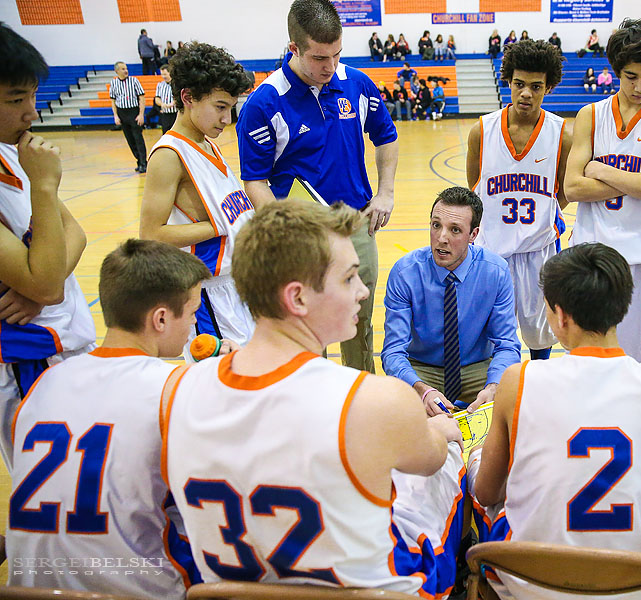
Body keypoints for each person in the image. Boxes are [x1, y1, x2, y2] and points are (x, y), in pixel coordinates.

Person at [163, 200, 466, 594]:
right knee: (453, 459)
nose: (362, 290)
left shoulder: (176, 389)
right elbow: (430, 460)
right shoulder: (375, 399)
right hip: (373, 592)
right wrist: (441, 432)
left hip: (232, 588)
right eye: (349, 278)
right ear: (298, 298)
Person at [469, 242, 641, 600]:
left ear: (561, 316)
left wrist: (478, 456)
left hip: (532, 583)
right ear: (622, 305)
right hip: (638, 585)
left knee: (474, 465)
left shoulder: (519, 379)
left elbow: (487, 493)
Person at [6, 239, 206, 597]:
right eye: (191, 313)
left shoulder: (44, 384)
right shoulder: (176, 390)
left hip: (31, 589)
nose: (193, 325)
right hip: (135, 589)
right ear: (161, 318)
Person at [236, 0, 399, 374]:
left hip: (356, 225)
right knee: (307, 327)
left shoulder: (356, 83)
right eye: (319, 58)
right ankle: (313, 402)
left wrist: (386, 193)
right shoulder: (264, 104)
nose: (330, 67)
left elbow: (386, 136)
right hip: (303, 236)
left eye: (337, 55)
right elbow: (254, 181)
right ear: (293, 48)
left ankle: (361, 397)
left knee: (358, 321)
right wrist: (289, 232)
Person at [565, 18, 641, 365]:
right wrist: (639, 181)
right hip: (592, 254)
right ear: (617, 70)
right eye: (631, 76)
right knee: (587, 356)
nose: (640, 86)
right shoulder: (591, 114)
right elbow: (573, 187)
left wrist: (602, 170)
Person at [0, 23, 95, 469]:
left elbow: (75, 233)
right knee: (55, 494)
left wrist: (43, 277)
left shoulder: (11, 155)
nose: (32, 114)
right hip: (25, 361)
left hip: (62, 344)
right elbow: (46, 284)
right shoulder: (29, 168)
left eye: (32, 97)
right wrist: (43, 184)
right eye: (16, 100)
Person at [141, 42, 256, 356]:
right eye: (220, 107)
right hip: (208, 295)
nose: (227, 118)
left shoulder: (207, 143)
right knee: (227, 388)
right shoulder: (169, 155)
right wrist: (216, 227)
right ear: (188, 97)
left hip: (236, 286)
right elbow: (151, 236)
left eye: (230, 107)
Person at [468, 39, 573, 362]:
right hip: (492, 251)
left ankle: (538, 395)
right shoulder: (482, 131)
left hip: (539, 252)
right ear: (508, 82)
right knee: (491, 337)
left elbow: (564, 194)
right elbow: (474, 187)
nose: (526, 93)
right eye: (519, 84)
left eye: (536, 86)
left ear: (549, 87)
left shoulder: (561, 134)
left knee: (540, 337)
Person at [382, 187, 520, 416]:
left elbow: (507, 344)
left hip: (476, 368)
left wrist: (493, 386)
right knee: (393, 408)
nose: (442, 238)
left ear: (473, 235)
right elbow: (393, 352)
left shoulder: (496, 271)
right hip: (421, 369)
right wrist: (422, 390)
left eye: (455, 230)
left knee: (514, 395)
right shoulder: (405, 272)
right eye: (436, 225)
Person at [109, 61, 148, 173]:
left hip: (134, 112)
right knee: (130, 139)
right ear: (117, 71)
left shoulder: (134, 81)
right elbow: (113, 101)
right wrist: (116, 116)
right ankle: (138, 160)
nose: (125, 71)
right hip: (122, 112)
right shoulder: (114, 83)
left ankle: (143, 162)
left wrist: (141, 114)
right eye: (122, 69)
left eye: (126, 68)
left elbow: (141, 98)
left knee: (138, 138)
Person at [154, 64, 177, 133]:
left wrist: (173, 103)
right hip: (165, 114)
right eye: (162, 74)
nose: (163, 76)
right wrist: (162, 104)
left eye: (165, 74)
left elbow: (179, 96)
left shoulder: (176, 84)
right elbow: (157, 98)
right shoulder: (160, 85)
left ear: (170, 73)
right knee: (165, 133)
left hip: (176, 113)